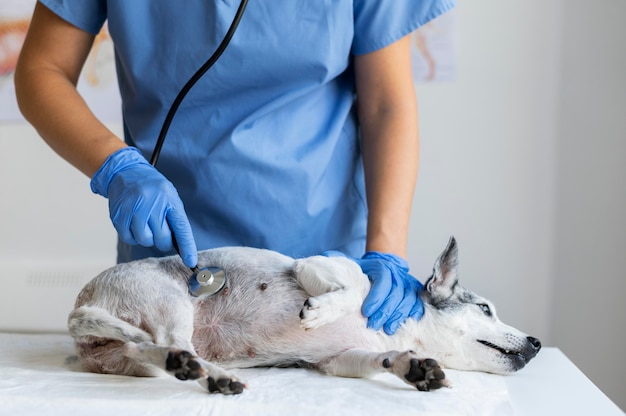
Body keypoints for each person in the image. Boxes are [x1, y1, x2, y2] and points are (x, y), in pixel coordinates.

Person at [15, 0, 455, 335]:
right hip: (172, 267)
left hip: (325, 265)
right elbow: (42, 68)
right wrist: (115, 165)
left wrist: (387, 251)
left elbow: (386, 105)